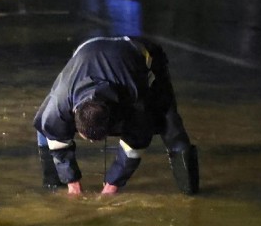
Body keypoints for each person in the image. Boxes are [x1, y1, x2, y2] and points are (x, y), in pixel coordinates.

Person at [33, 36, 199, 195]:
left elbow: (136, 142)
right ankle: (53, 186)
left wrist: (112, 185)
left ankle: (190, 190)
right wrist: (72, 183)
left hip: (141, 54)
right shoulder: (60, 101)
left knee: (170, 125)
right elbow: (52, 131)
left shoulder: (135, 100)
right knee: (46, 125)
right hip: (87, 50)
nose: (92, 142)